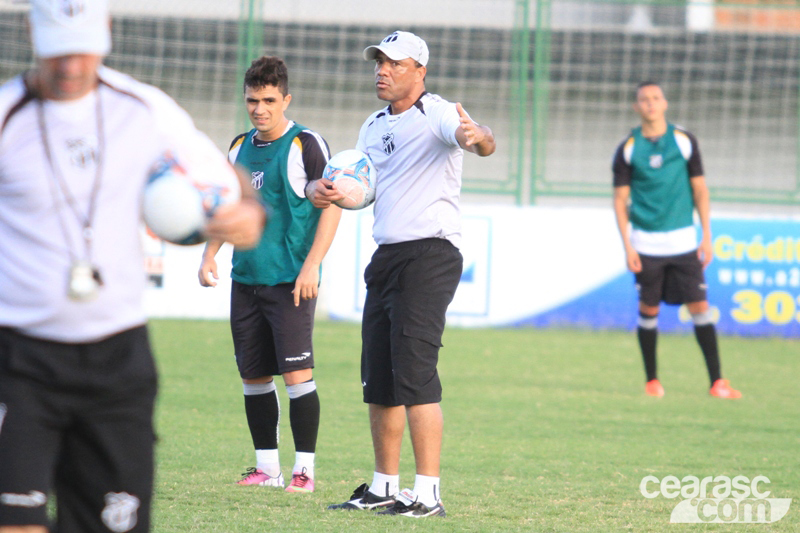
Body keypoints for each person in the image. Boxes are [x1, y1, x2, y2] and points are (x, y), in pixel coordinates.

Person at [0, 1, 267, 532]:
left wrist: (247, 215)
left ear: (108, 33)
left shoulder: (144, 109)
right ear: (31, 32)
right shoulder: (8, 115)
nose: (71, 67)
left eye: (83, 49)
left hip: (116, 362)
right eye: (58, 50)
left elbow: (224, 181)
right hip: (18, 359)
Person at [307, 31, 495, 517]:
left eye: (394, 63)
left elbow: (476, 139)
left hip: (430, 255)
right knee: (381, 380)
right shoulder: (371, 125)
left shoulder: (437, 111)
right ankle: (383, 486)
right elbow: (361, 186)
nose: (382, 70)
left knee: (415, 376)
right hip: (387, 256)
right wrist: (329, 190)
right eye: (378, 62)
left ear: (420, 71)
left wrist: (477, 137)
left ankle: (428, 494)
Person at [198, 56, 341, 493]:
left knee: (298, 377)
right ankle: (267, 469)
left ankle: (304, 472)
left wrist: (312, 265)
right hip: (247, 280)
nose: (259, 109)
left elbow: (332, 204)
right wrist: (210, 254)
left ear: (285, 99)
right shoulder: (239, 147)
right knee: (254, 377)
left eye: (268, 100)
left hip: (291, 281)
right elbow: (229, 206)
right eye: (252, 101)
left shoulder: (306, 144)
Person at [612, 81, 741, 400]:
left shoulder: (683, 141)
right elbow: (619, 200)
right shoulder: (628, 148)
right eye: (644, 99)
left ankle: (717, 382)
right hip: (646, 245)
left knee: (700, 307)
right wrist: (628, 245)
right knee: (648, 310)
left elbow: (700, 190)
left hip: (684, 243)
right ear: (636, 107)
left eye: (656, 98)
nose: (651, 104)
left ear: (665, 103)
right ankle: (652, 381)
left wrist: (707, 236)